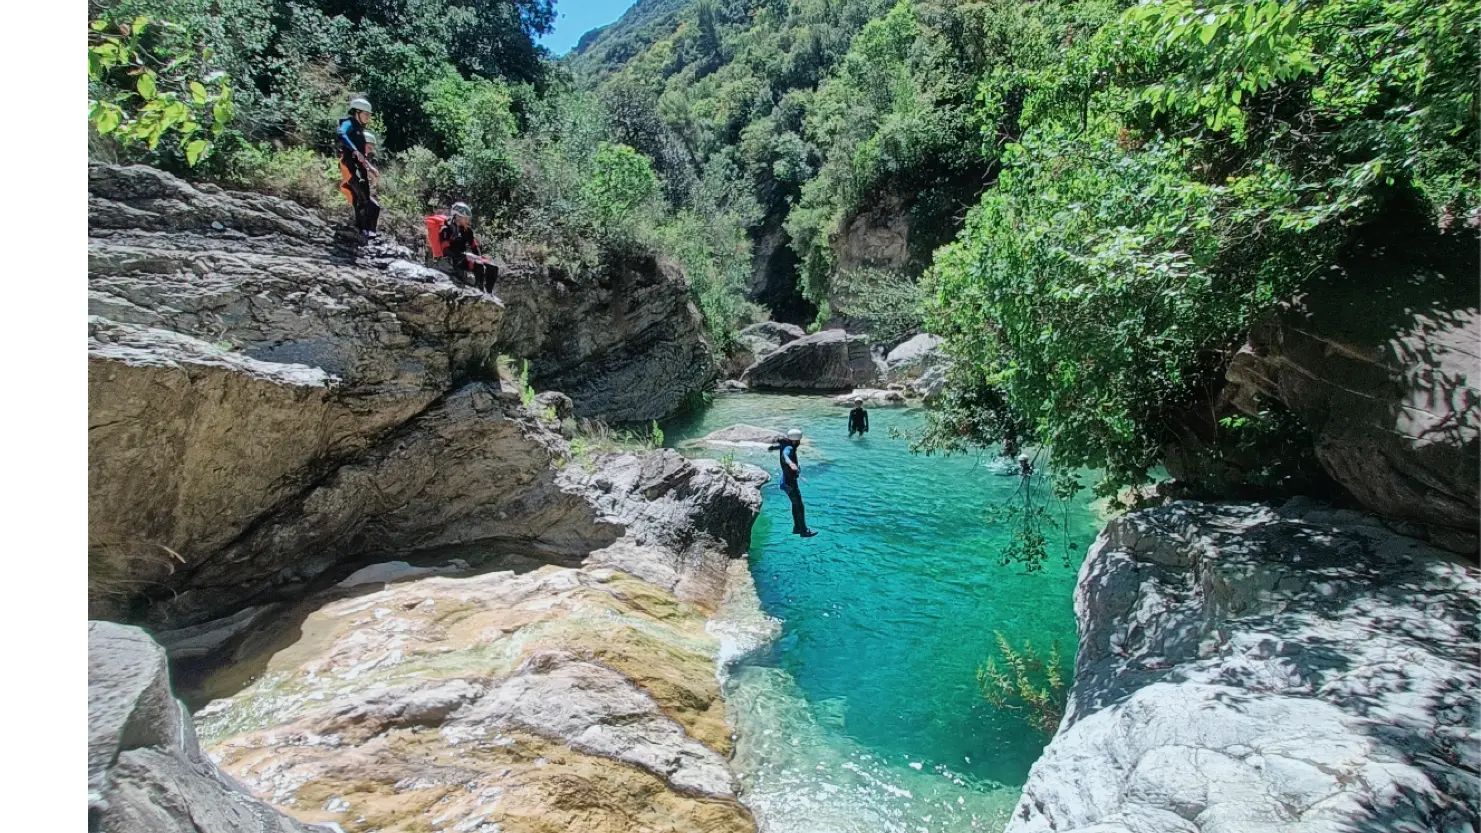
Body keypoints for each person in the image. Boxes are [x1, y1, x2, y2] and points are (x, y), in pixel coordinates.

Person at [336, 97, 381, 240]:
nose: (368, 117)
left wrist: (370, 167)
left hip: (358, 168)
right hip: (350, 166)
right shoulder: (349, 124)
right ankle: (362, 230)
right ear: (357, 112)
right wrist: (355, 150)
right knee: (363, 199)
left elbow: (362, 157)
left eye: (369, 114)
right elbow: (341, 133)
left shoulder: (360, 131)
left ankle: (367, 231)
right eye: (365, 114)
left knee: (366, 200)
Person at [439, 202, 499, 293]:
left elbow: (474, 246)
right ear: (457, 216)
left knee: (493, 267)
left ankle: (489, 292)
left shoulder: (467, 230)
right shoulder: (446, 229)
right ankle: (480, 290)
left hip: (465, 258)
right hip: (454, 260)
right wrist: (465, 255)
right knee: (478, 264)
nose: (467, 220)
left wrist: (478, 256)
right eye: (465, 218)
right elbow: (446, 250)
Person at [772, 428, 817, 537]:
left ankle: (797, 527)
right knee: (799, 506)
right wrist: (791, 464)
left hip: (787, 481)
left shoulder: (786, 445)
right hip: (790, 483)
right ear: (796, 441)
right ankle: (803, 530)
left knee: (795, 504)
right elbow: (785, 456)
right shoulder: (789, 448)